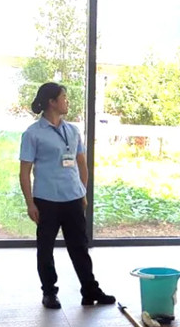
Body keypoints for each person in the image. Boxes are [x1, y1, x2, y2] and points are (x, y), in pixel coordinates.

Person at [19, 82, 114, 310]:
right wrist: (30, 203)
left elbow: (81, 163)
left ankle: (90, 290)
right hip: (47, 200)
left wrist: (82, 191)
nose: (67, 101)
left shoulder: (72, 130)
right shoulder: (33, 133)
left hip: (73, 198)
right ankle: (49, 292)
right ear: (52, 102)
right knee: (45, 249)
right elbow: (24, 172)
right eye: (63, 97)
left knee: (80, 246)